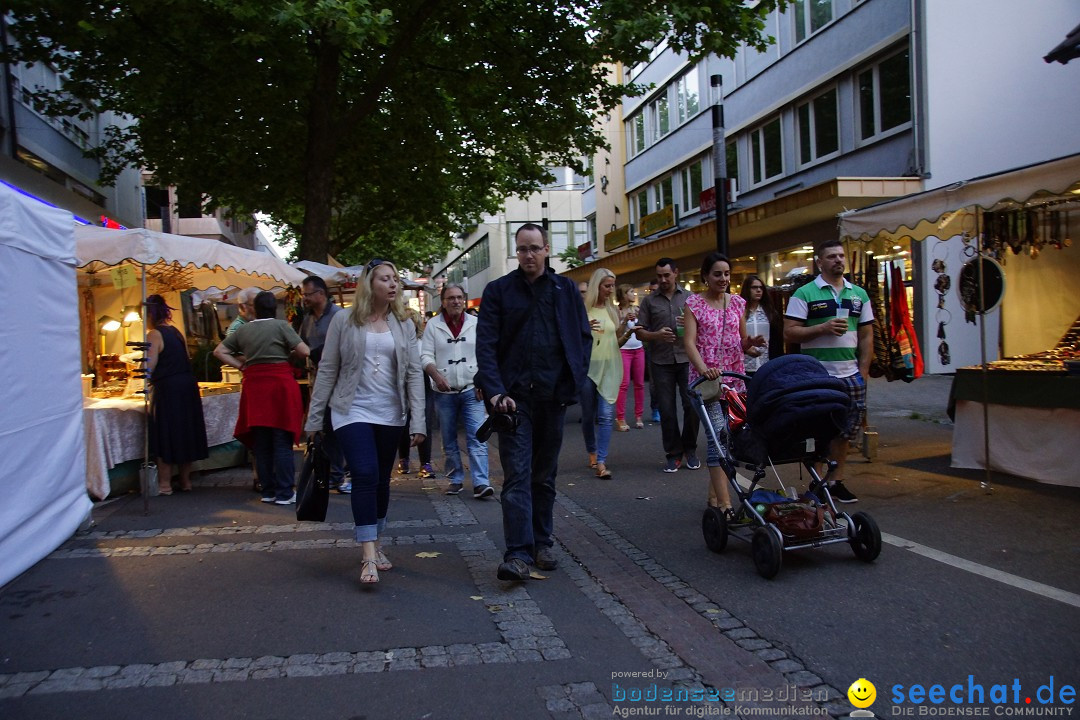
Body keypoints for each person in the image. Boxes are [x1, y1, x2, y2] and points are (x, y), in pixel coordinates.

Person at [475, 223, 591, 583]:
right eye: (522, 249)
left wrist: (573, 379)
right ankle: (518, 554)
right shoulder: (498, 291)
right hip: (513, 402)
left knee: (544, 476)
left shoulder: (565, 289)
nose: (528, 255)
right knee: (518, 475)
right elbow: (486, 345)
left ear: (546, 250)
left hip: (552, 398)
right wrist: (495, 391)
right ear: (516, 251)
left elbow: (582, 338)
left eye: (534, 248)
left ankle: (543, 542)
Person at [305, 259, 426, 585]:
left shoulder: (404, 323)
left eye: (395, 279)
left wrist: (419, 422)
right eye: (385, 278)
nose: (393, 284)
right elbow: (327, 369)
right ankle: (368, 554)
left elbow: (414, 373)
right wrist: (315, 418)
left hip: (390, 413)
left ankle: (377, 541)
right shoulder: (344, 320)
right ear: (369, 283)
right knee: (364, 473)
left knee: (382, 481)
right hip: (350, 410)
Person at [783, 239, 873, 504]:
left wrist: (864, 370)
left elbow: (867, 334)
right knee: (819, 429)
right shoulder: (805, 294)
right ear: (819, 262)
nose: (838, 260)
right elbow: (790, 332)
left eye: (841, 256)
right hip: (817, 375)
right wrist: (821, 328)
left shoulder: (859, 294)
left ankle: (837, 482)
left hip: (850, 374)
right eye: (831, 256)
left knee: (845, 431)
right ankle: (818, 481)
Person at [215, 291, 310, 505]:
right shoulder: (282, 326)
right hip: (279, 386)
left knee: (262, 442)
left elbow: (219, 351)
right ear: (274, 308)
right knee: (281, 440)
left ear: (254, 309)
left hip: (255, 386)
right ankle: (285, 492)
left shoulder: (244, 330)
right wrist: (288, 353)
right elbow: (304, 351)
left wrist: (242, 365)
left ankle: (268, 491)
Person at [684, 253, 750, 518]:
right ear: (705, 276)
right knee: (718, 438)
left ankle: (714, 496)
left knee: (730, 439)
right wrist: (704, 369)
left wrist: (752, 344)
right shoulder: (694, 304)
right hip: (706, 384)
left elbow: (742, 341)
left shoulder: (737, 304)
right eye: (717, 274)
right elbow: (689, 342)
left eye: (726, 274)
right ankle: (726, 505)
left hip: (735, 380)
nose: (723, 279)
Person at [421, 284, 492, 498]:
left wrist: (484, 383)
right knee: (448, 439)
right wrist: (435, 375)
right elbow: (425, 356)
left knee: (478, 436)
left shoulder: (475, 324)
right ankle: (455, 478)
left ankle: (481, 482)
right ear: (443, 301)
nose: (456, 301)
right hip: (444, 393)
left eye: (459, 297)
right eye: (451, 298)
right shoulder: (433, 326)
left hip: (472, 389)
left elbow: (485, 355)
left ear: (464, 300)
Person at [636, 258, 700, 473]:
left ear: (676, 273)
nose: (663, 279)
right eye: (659, 276)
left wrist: (692, 326)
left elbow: (703, 328)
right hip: (660, 361)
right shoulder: (649, 301)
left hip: (686, 359)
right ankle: (673, 453)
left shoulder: (691, 298)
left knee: (692, 406)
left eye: (666, 275)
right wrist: (656, 335)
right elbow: (640, 331)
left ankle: (690, 449)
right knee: (667, 409)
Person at [145, 294, 208, 495]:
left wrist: (140, 371)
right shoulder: (176, 332)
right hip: (187, 386)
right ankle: (185, 481)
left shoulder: (154, 334)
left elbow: (150, 365)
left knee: (166, 433)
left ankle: (164, 484)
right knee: (185, 431)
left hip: (168, 389)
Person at [298, 275, 349, 494]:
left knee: (334, 427)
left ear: (320, 293)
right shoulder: (307, 319)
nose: (304, 299)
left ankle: (339, 474)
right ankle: (334, 474)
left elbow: (344, 348)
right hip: (318, 381)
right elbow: (301, 343)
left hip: (340, 381)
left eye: (308, 294)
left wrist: (316, 353)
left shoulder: (340, 316)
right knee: (325, 428)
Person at [581, 268, 628, 479]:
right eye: (607, 286)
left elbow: (615, 342)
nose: (610, 290)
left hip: (609, 366)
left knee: (606, 416)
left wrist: (629, 331)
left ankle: (601, 461)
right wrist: (582, 328)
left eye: (612, 285)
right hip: (588, 369)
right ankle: (592, 451)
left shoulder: (613, 311)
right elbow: (572, 340)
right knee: (589, 415)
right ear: (596, 286)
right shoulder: (582, 310)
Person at [396, 308, 435, 478]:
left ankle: (425, 463)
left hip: (423, 382)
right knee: (403, 423)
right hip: (401, 383)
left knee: (423, 422)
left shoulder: (423, 341)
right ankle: (404, 459)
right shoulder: (397, 341)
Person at [614, 284, 645, 431]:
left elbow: (644, 329)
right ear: (624, 294)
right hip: (624, 350)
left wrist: (639, 319)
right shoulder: (617, 311)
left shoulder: (637, 310)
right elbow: (617, 334)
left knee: (639, 383)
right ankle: (620, 417)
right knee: (624, 384)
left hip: (638, 349)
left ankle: (639, 416)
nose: (634, 294)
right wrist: (625, 320)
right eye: (631, 292)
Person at [740, 274, 782, 376]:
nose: (758, 290)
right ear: (747, 289)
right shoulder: (739, 312)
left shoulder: (770, 312)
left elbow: (776, 341)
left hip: (767, 366)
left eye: (761, 288)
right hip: (743, 367)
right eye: (754, 287)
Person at [645, 278, 661, 423]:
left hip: (675, 349)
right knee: (654, 383)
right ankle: (655, 407)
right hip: (654, 349)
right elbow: (642, 330)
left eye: (654, 290)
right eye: (651, 290)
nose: (652, 293)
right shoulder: (648, 303)